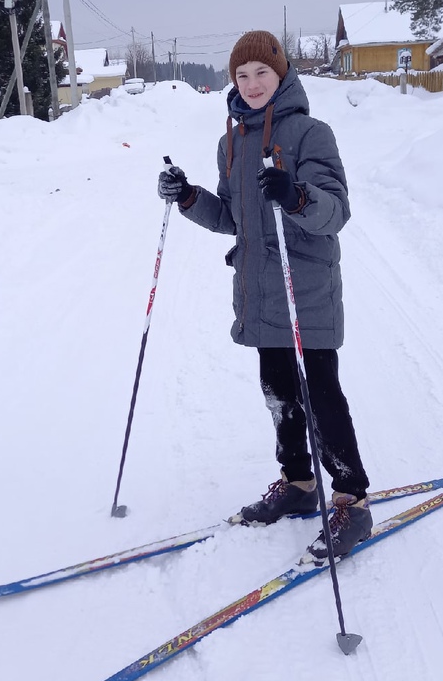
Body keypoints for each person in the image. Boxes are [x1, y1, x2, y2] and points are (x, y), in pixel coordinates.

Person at [157, 30, 371, 563]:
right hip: (259, 294)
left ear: (282, 77)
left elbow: (335, 213)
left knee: (321, 396)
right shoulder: (230, 143)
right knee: (279, 393)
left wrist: (298, 196)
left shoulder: (310, 134)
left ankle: (352, 500)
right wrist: (187, 197)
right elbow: (232, 217)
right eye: (243, 76)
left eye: (262, 74)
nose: (252, 84)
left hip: (307, 292)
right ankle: (299, 486)